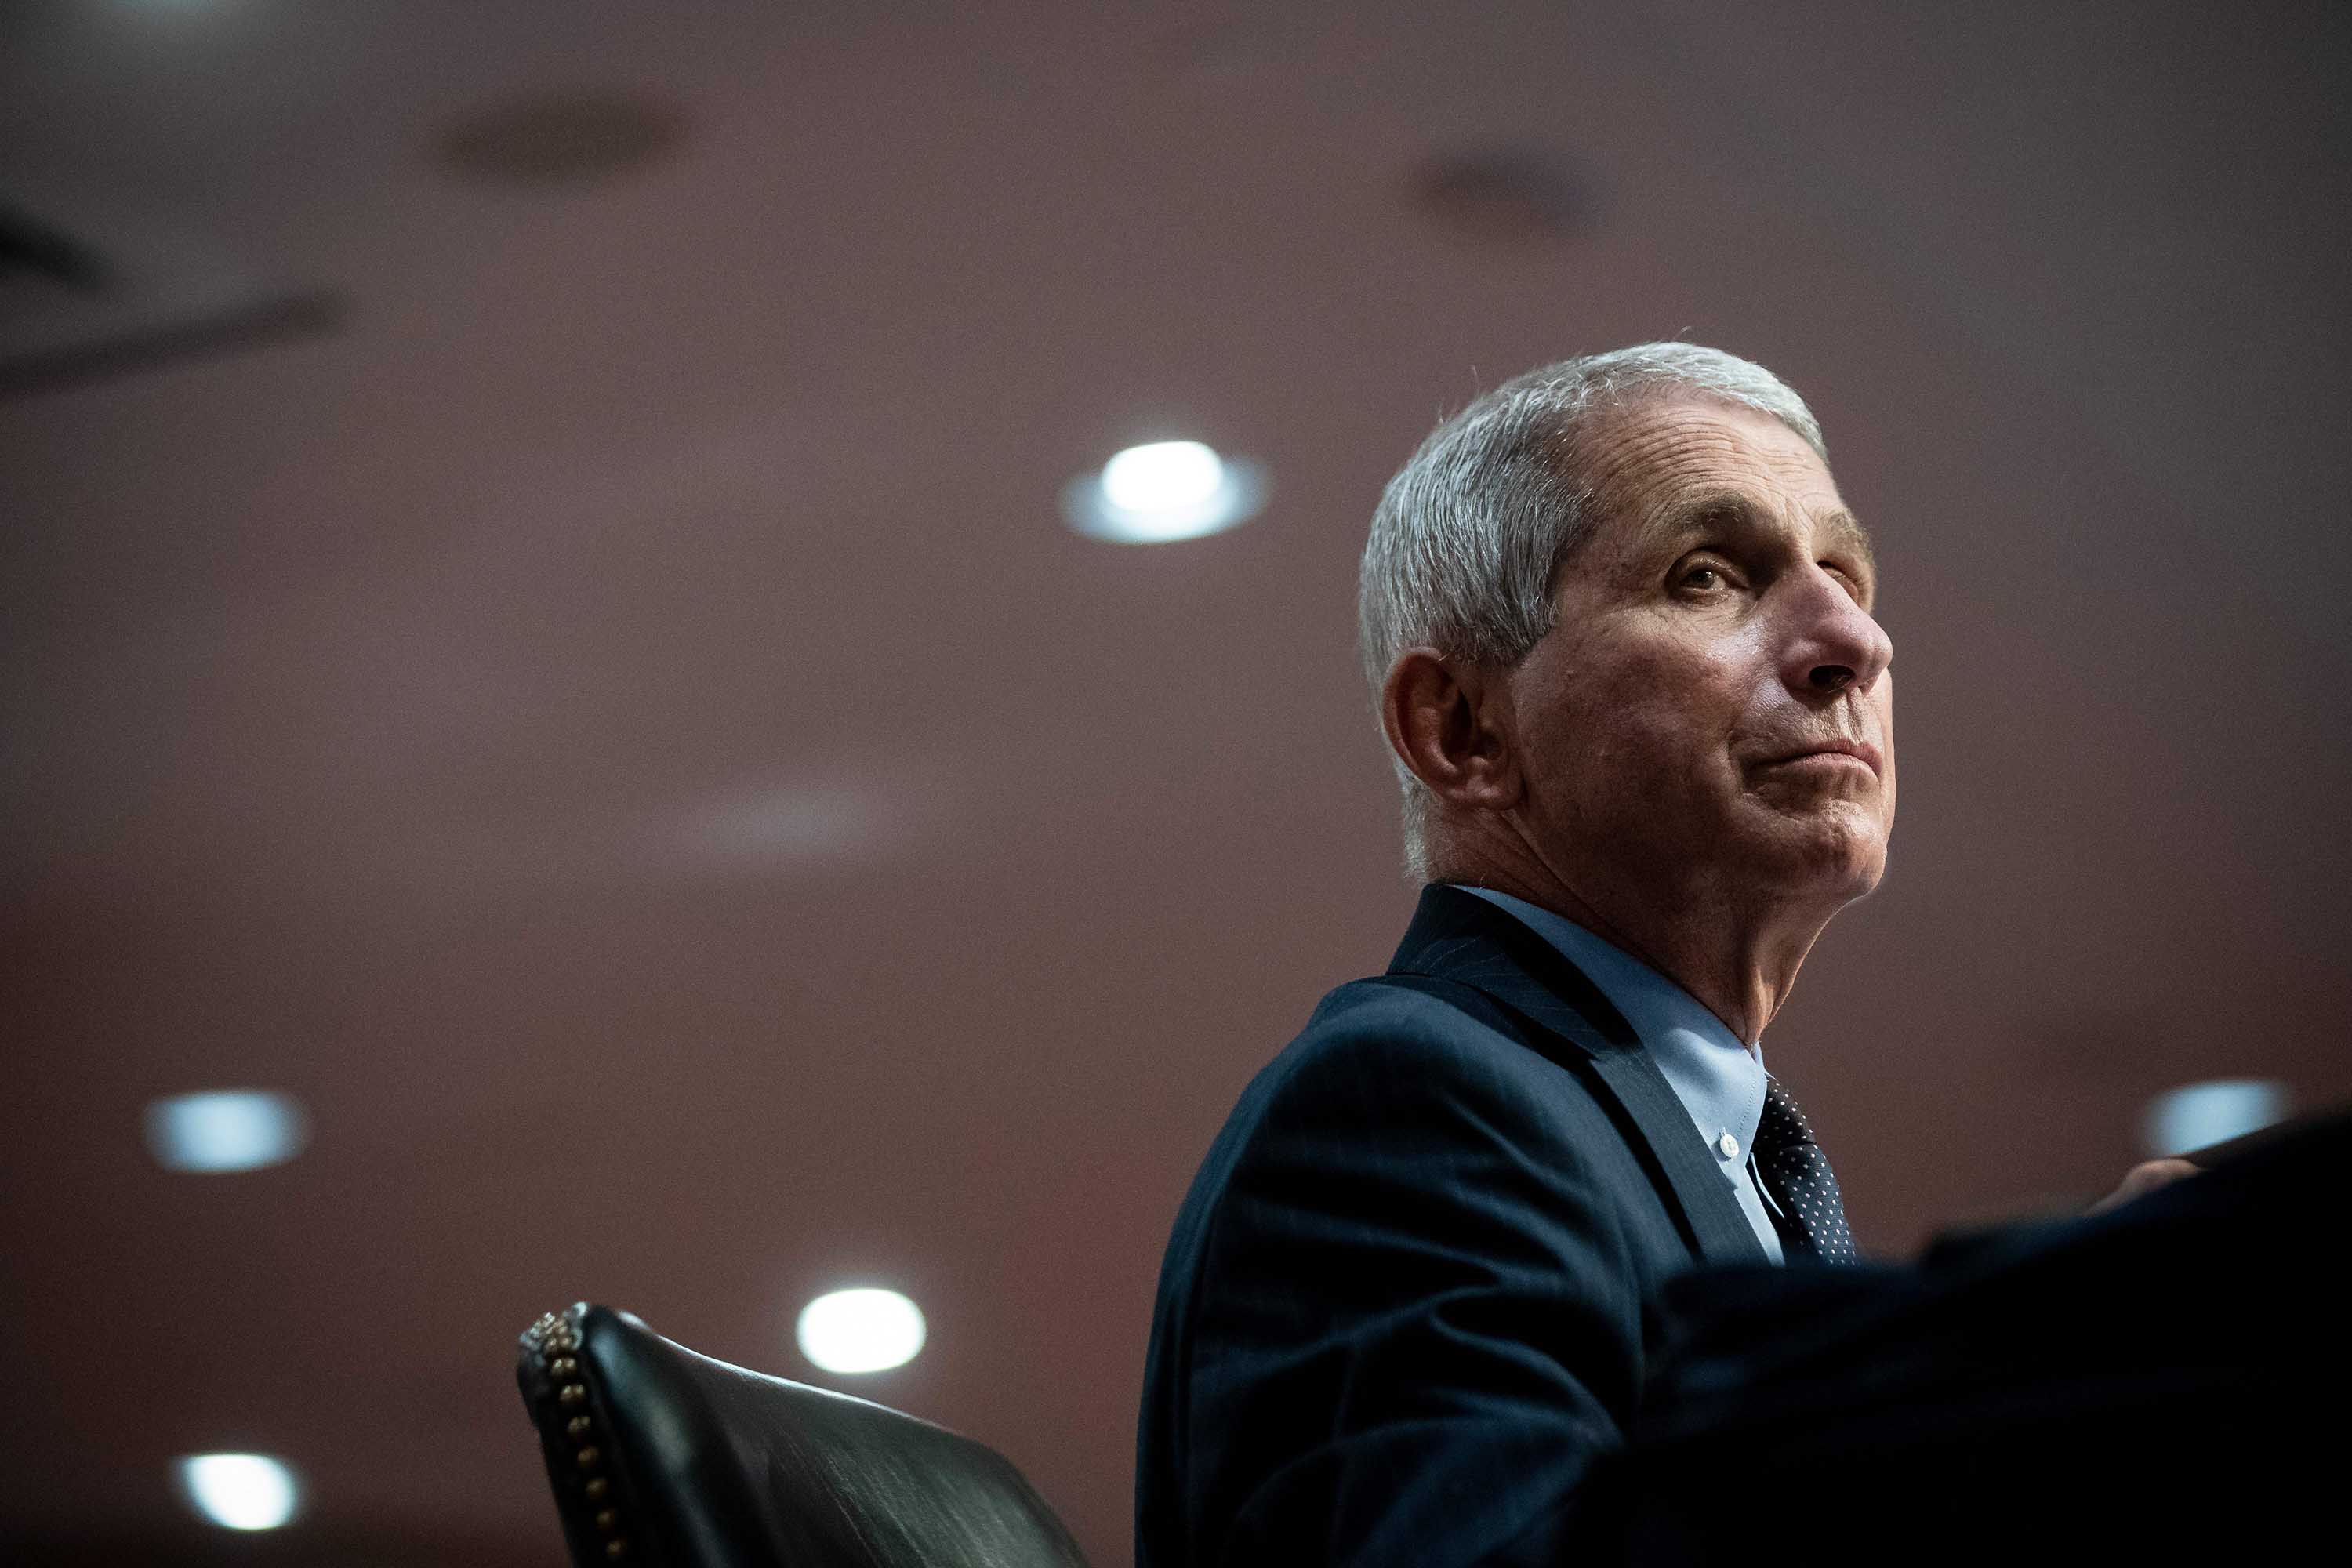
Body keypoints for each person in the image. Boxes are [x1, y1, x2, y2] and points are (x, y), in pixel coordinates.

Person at [1133, 345, 2190, 1567]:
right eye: (1709, 576)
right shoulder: (1409, 1105)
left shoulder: (1704, 1148)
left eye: (1845, 573)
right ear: (1464, 728)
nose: (1855, 638)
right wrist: (2037, 1366)